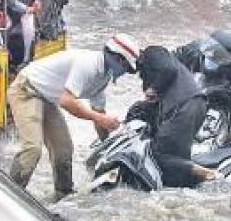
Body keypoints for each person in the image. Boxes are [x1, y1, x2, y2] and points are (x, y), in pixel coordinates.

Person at [9, 34, 140, 200]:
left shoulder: (104, 77)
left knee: (63, 151)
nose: (125, 72)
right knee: (33, 148)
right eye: (126, 67)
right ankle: (10, 195)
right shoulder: (88, 65)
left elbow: (98, 113)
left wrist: (107, 146)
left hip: (48, 99)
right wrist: (100, 119)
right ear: (116, 57)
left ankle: (63, 196)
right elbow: (67, 101)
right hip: (26, 90)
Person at [132, 46, 219, 187]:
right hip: (193, 105)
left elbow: (169, 70)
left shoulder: (153, 52)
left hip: (185, 105)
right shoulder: (149, 69)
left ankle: (207, 173)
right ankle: (195, 181)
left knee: (156, 154)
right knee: (175, 160)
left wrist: (154, 88)